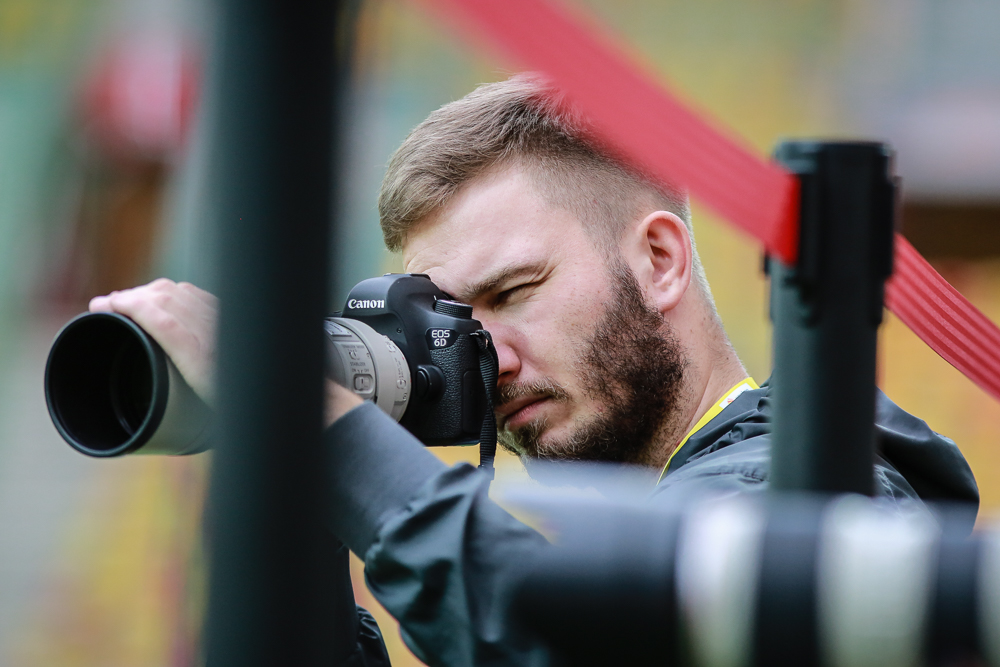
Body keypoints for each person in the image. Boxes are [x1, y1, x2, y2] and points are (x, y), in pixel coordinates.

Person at [89, 75, 978, 665]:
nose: (492, 359)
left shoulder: (823, 493)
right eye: (452, 325)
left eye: (514, 291)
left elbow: (586, 639)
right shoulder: (569, 550)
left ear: (660, 260)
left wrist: (317, 421)